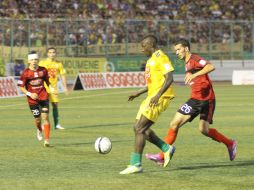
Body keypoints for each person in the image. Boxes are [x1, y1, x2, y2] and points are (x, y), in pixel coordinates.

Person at [146, 38, 237, 165]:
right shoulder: (187, 62)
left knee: (190, 127)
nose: (177, 52)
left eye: (179, 49)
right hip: (196, 99)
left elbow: (211, 66)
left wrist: (194, 75)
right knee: (185, 126)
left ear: (186, 48)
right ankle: (230, 143)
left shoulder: (194, 59)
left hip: (206, 99)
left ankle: (162, 155)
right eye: (175, 50)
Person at [119, 35, 175, 175]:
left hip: (159, 98)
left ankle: (136, 164)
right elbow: (154, 83)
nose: (141, 49)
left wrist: (158, 95)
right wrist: (139, 92)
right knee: (139, 128)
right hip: (151, 97)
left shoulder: (161, 57)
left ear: (151, 45)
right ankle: (166, 148)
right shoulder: (151, 60)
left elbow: (169, 78)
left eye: (143, 46)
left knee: (140, 128)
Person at [17, 51, 51, 147]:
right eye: (32, 59)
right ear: (28, 61)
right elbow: (21, 87)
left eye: (36, 59)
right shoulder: (25, 73)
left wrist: (50, 88)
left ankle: (47, 140)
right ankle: (39, 129)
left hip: (44, 97)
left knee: (45, 117)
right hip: (32, 100)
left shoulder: (43, 70)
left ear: (38, 60)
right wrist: (29, 93)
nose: (34, 61)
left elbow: (47, 81)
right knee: (38, 119)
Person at [39, 47, 68, 130]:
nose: (52, 54)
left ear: (55, 54)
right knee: (44, 107)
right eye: (50, 52)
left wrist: (65, 88)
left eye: (53, 52)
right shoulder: (42, 63)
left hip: (53, 88)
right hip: (44, 87)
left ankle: (57, 124)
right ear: (47, 54)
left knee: (55, 105)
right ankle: (43, 124)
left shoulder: (58, 64)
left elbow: (62, 75)